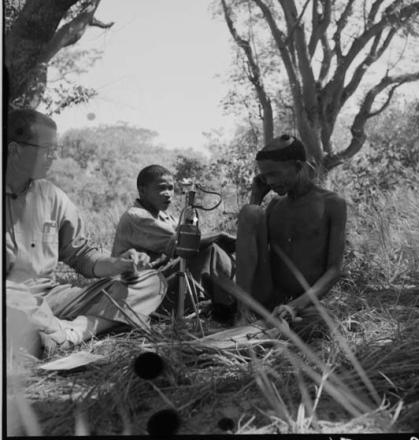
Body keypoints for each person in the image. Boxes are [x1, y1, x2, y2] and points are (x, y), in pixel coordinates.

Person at [5, 109, 168, 357]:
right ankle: (51, 332)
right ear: (15, 149)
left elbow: (81, 254)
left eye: (55, 149)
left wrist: (117, 264)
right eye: (46, 149)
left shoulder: (52, 196)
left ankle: (73, 332)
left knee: (149, 282)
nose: (53, 156)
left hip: (52, 296)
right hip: (10, 297)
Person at [232, 134, 347, 325]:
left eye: (274, 174)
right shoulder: (275, 205)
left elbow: (334, 270)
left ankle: (284, 321)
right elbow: (251, 250)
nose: (269, 182)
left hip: (303, 301)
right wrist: (255, 199)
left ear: (298, 166)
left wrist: (295, 306)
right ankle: (242, 314)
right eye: (265, 176)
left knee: (322, 323)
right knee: (250, 212)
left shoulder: (332, 204)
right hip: (267, 296)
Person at [112, 165, 236, 316]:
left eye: (171, 188)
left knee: (218, 248)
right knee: (211, 250)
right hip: (141, 295)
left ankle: (230, 303)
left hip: (161, 285)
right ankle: (230, 307)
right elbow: (184, 244)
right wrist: (219, 236)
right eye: (161, 188)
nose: (168, 194)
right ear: (143, 190)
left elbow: (190, 238)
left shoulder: (166, 217)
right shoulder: (136, 216)